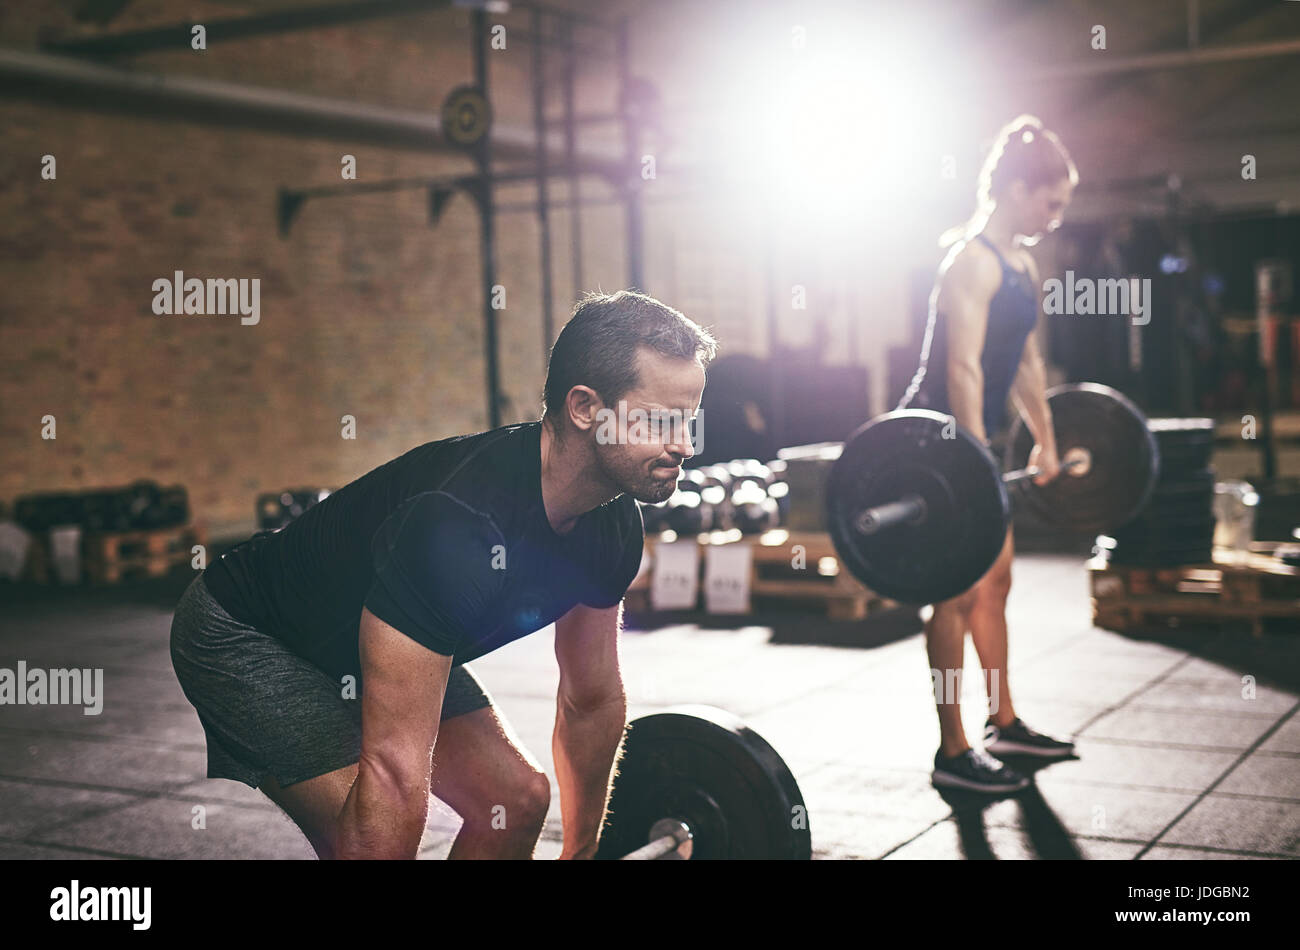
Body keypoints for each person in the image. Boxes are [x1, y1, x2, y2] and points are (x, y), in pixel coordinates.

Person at [170, 291, 715, 858]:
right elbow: (394, 771)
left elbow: (592, 701)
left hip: (375, 633)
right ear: (584, 408)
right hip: (251, 635)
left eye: (689, 420)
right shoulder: (459, 523)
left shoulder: (612, 524)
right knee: (374, 842)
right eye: (658, 421)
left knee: (515, 802)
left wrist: (580, 853)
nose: (683, 445)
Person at [898, 115, 1078, 793]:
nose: (1055, 218)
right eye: (1050, 202)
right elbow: (963, 370)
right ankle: (954, 750)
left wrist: (1047, 440)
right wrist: (974, 460)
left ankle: (1005, 721)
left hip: (977, 443)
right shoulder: (969, 261)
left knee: (995, 584)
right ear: (1016, 189)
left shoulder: (1021, 264)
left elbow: (1026, 362)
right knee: (954, 594)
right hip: (936, 446)